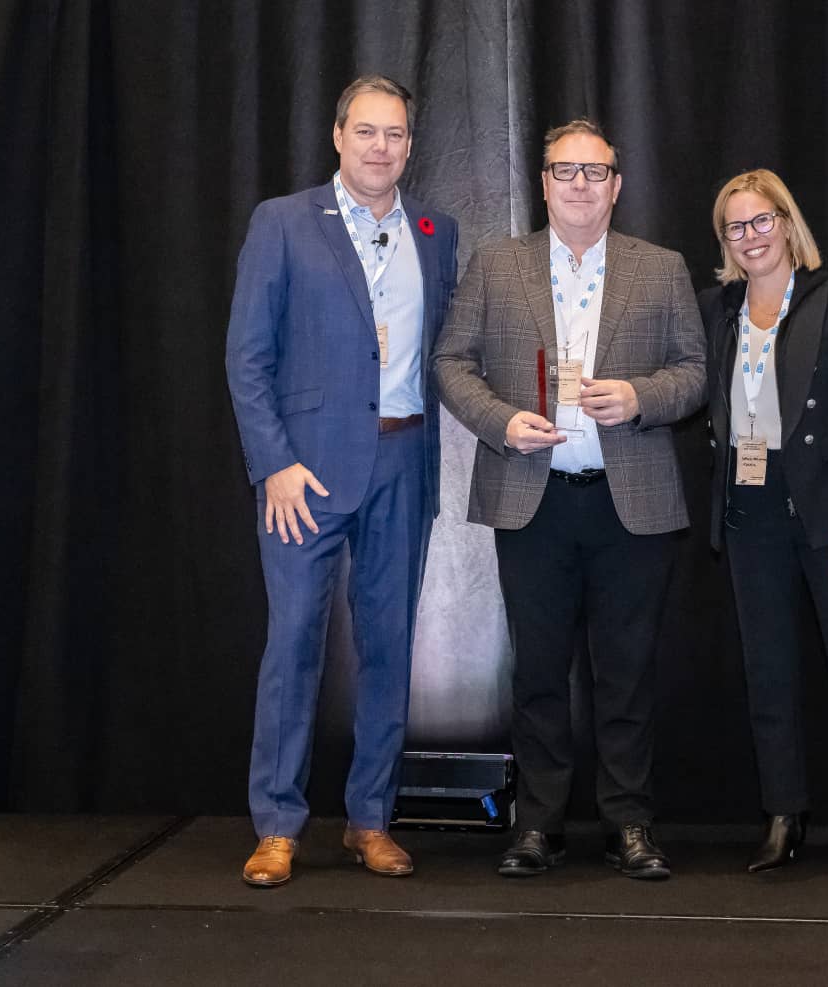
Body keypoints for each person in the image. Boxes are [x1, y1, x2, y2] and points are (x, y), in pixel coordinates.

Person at [433, 119, 705, 879]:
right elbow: (451, 363)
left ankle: (630, 824)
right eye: (565, 171)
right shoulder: (497, 265)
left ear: (617, 185)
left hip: (633, 503)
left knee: (627, 672)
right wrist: (499, 421)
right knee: (539, 673)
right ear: (545, 183)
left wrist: (641, 396)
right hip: (534, 500)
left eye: (595, 172)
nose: (580, 184)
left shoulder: (662, 268)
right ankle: (538, 826)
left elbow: (693, 372)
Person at [225, 75, 459, 887]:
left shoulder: (436, 230)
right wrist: (274, 464)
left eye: (395, 134)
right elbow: (247, 357)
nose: (380, 147)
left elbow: (448, 353)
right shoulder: (284, 222)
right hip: (305, 472)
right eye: (366, 131)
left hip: (404, 461)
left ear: (408, 144)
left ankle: (370, 820)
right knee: (293, 644)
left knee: (390, 647)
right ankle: (278, 825)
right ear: (337, 136)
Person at [697, 169, 828, 879]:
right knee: (769, 673)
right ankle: (783, 815)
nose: (751, 237)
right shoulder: (718, 309)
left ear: (787, 224)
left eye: (762, 221)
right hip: (749, 509)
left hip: (825, 511)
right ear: (725, 240)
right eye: (737, 226)